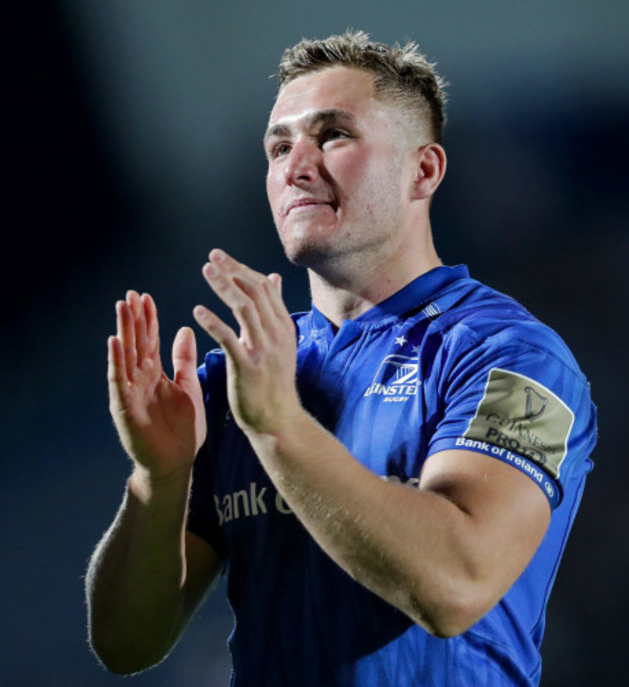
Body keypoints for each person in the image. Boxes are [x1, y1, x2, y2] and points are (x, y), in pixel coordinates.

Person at [86, 30, 596, 686]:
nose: (296, 164)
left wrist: (279, 428)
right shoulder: (238, 376)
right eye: (278, 146)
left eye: (332, 135)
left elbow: (457, 581)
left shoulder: (512, 358)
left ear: (424, 170)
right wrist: (158, 477)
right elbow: (125, 643)